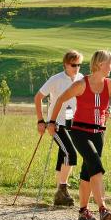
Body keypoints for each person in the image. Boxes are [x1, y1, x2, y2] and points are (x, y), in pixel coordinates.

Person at [47, 50, 111, 220]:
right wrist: (51, 122)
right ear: (101, 64)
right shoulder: (81, 84)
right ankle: (102, 208)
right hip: (80, 132)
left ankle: (83, 211)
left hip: (99, 133)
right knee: (96, 165)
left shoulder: (110, 84)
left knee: (88, 173)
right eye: (110, 63)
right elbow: (60, 100)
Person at [34, 50, 83, 206]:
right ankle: (62, 189)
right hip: (56, 123)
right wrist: (41, 121)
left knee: (63, 155)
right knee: (70, 153)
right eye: (73, 65)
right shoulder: (56, 79)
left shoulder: (81, 79)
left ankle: (59, 192)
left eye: (79, 65)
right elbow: (38, 97)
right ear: (65, 65)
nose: (77, 68)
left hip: (72, 122)